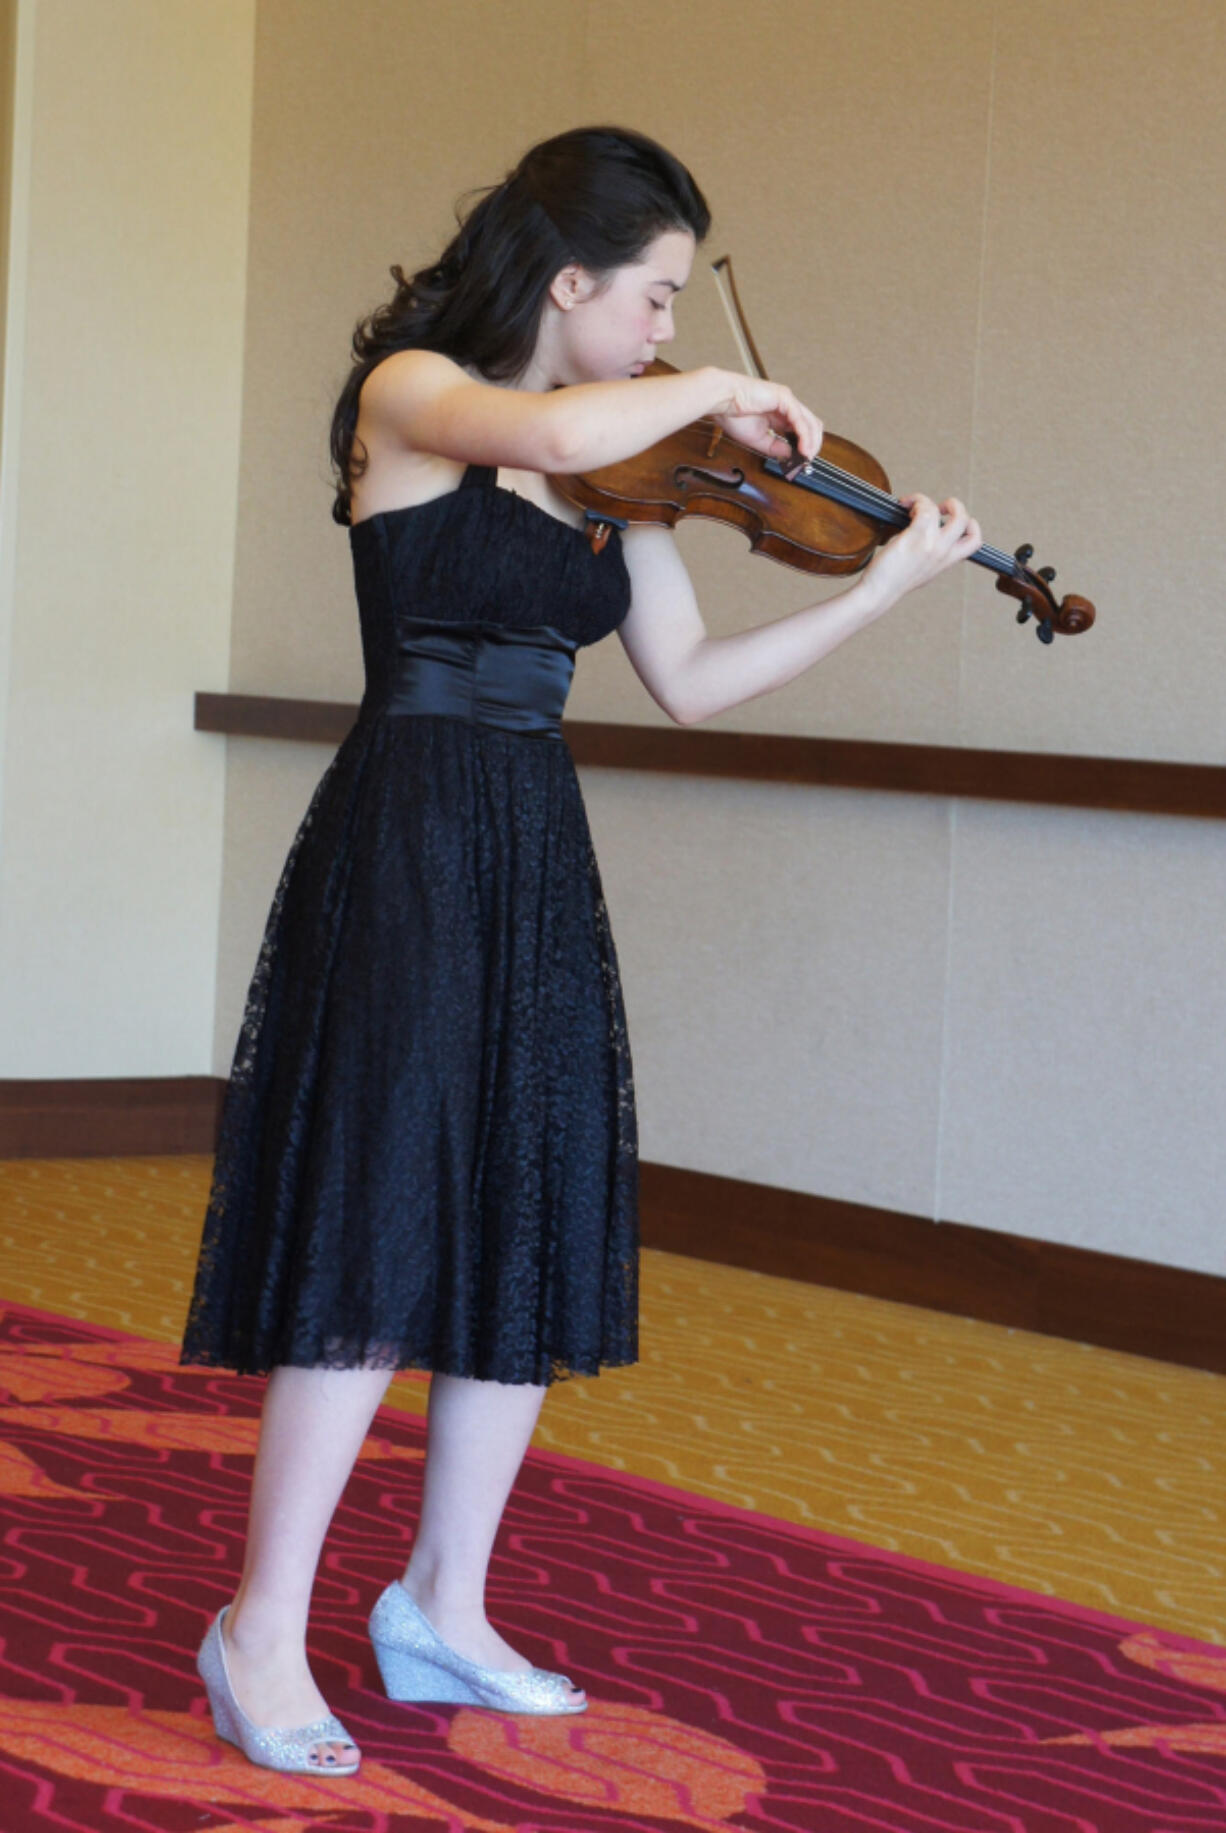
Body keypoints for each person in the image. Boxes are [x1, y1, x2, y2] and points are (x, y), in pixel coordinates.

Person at [180, 124, 981, 1777]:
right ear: (567, 282)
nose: (671, 329)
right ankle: (257, 1626)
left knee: (520, 1219)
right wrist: (709, 398)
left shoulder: (630, 479)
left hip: (532, 849)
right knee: (377, 1216)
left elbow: (690, 683)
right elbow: (543, 421)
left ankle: (441, 1604)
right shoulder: (423, 397)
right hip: (405, 829)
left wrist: (882, 585)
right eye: (656, 296)